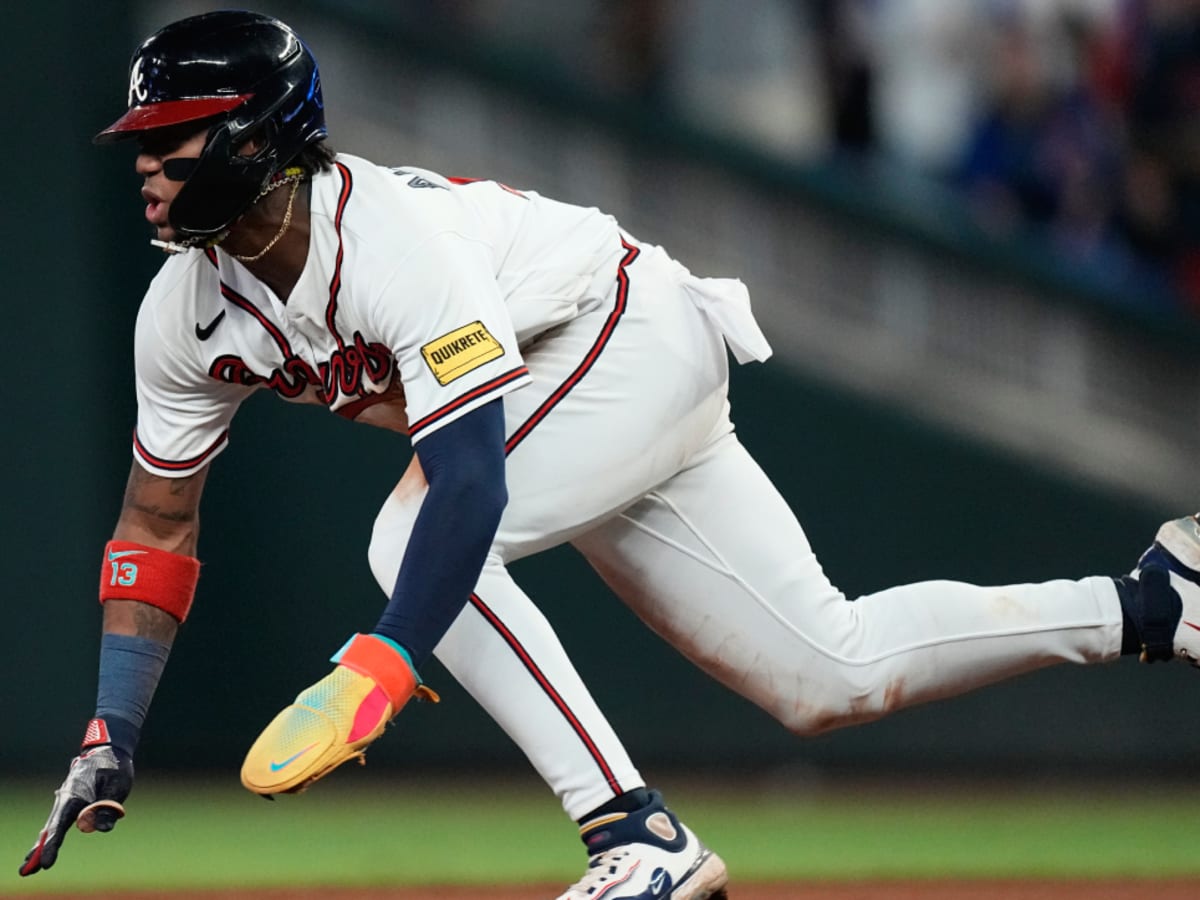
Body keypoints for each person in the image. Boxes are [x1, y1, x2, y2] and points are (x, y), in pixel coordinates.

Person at [18, 11, 1200, 900]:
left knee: (411, 537)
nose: (145, 162)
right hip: (568, 398)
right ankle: (1152, 604)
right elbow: (155, 526)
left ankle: (631, 832)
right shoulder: (182, 313)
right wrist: (112, 733)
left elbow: (471, 483)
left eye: (172, 137)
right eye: (145, 139)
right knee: (826, 676)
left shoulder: (388, 243)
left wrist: (384, 664)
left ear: (257, 143)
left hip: (622, 335)